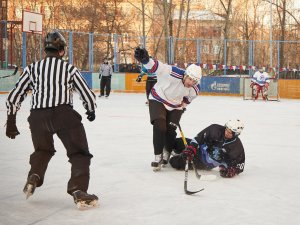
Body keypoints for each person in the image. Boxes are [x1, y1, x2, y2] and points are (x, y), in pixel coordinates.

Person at [5, 31, 98, 208]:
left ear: (46, 50)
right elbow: (87, 94)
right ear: (61, 50)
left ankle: (34, 176)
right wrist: (90, 109)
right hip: (64, 115)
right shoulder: (69, 69)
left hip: (37, 117)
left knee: (42, 150)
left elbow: (14, 96)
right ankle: (78, 190)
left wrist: (11, 119)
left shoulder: (32, 69)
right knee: (79, 153)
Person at [134, 46, 202, 171]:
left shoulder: (195, 89)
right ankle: (158, 155)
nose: (191, 83)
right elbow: (156, 66)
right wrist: (145, 60)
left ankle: (167, 151)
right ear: (186, 74)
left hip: (175, 106)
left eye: (194, 81)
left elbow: (189, 99)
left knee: (170, 130)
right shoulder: (172, 72)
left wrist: (183, 106)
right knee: (160, 126)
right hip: (158, 99)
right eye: (190, 79)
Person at [169, 119, 245, 178]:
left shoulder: (237, 147)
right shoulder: (215, 129)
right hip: (200, 149)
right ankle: (170, 151)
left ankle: (178, 155)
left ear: (236, 134)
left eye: (230, 132)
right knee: (177, 142)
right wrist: (191, 148)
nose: (226, 133)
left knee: (174, 162)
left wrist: (231, 170)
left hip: (203, 162)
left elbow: (239, 166)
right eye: (226, 129)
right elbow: (199, 138)